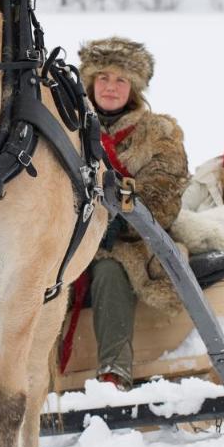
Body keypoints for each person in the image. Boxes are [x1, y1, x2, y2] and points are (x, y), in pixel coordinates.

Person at [67, 37, 189, 390]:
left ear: (133, 88)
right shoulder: (69, 127)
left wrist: (117, 212)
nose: (110, 87)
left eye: (120, 80)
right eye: (103, 77)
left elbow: (164, 195)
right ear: (90, 82)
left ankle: (114, 372)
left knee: (109, 268)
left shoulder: (158, 132)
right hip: (69, 238)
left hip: (133, 241)